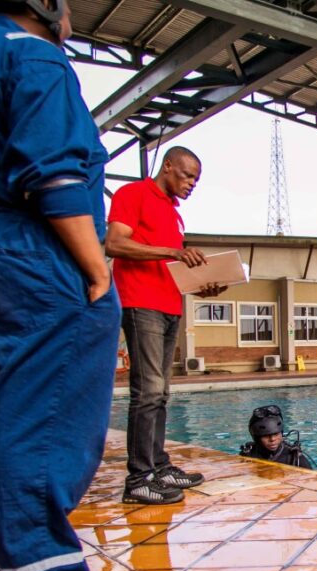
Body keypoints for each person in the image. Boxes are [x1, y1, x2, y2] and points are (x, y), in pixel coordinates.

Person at [0, 0, 142, 571]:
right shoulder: (33, 55)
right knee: (42, 419)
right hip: (30, 253)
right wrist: (95, 269)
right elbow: (56, 174)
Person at [106, 146, 223, 504]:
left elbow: (170, 270)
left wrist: (203, 288)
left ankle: (158, 465)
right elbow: (115, 244)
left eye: (196, 181)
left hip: (170, 305)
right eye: (188, 176)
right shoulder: (133, 194)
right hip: (141, 304)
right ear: (168, 166)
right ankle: (138, 479)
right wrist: (173, 251)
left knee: (161, 393)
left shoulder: (173, 213)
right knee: (148, 391)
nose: (191, 184)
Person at [239, 405, 316, 469]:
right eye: (266, 436)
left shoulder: (295, 458)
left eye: (276, 434)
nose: (272, 439)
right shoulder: (248, 455)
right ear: (257, 438)